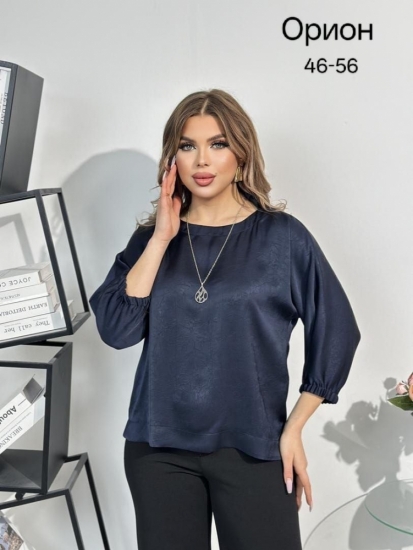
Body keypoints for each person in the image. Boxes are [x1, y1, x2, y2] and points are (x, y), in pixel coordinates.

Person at [89, 89, 361, 550]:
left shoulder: (282, 238)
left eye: (217, 144)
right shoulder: (150, 241)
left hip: (254, 448)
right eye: (187, 145)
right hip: (158, 451)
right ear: (172, 158)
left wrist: (294, 428)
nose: (202, 160)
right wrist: (161, 239)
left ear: (241, 152)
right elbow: (117, 329)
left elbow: (337, 330)